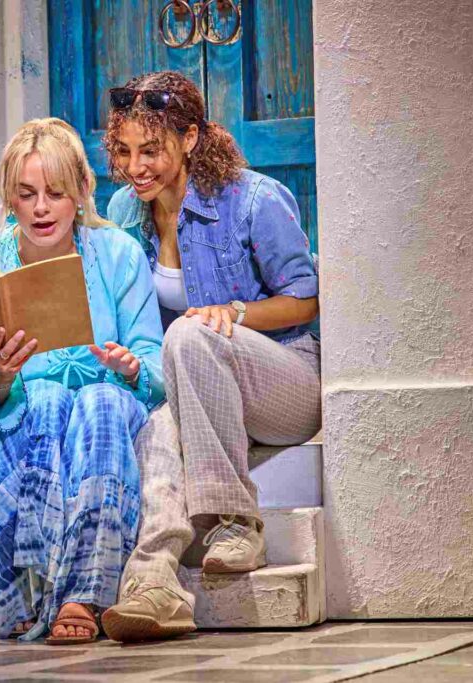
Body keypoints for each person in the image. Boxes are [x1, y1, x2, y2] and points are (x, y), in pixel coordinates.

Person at [99, 71, 321, 642]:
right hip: (199, 387)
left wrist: (236, 312)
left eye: (151, 150)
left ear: (190, 138)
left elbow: (306, 298)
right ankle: (156, 585)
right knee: (155, 422)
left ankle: (235, 522)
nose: (135, 166)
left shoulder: (252, 198)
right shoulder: (126, 210)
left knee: (192, 334)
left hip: (284, 376)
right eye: (123, 152)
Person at [0, 118, 164, 645]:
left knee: (98, 399)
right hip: (28, 414)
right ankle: (30, 586)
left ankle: (84, 588)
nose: (41, 208)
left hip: (108, 405)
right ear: (8, 198)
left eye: (56, 194)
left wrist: (131, 367)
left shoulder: (118, 253)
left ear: (81, 192)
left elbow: (155, 364)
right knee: (46, 399)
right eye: (27, 194)